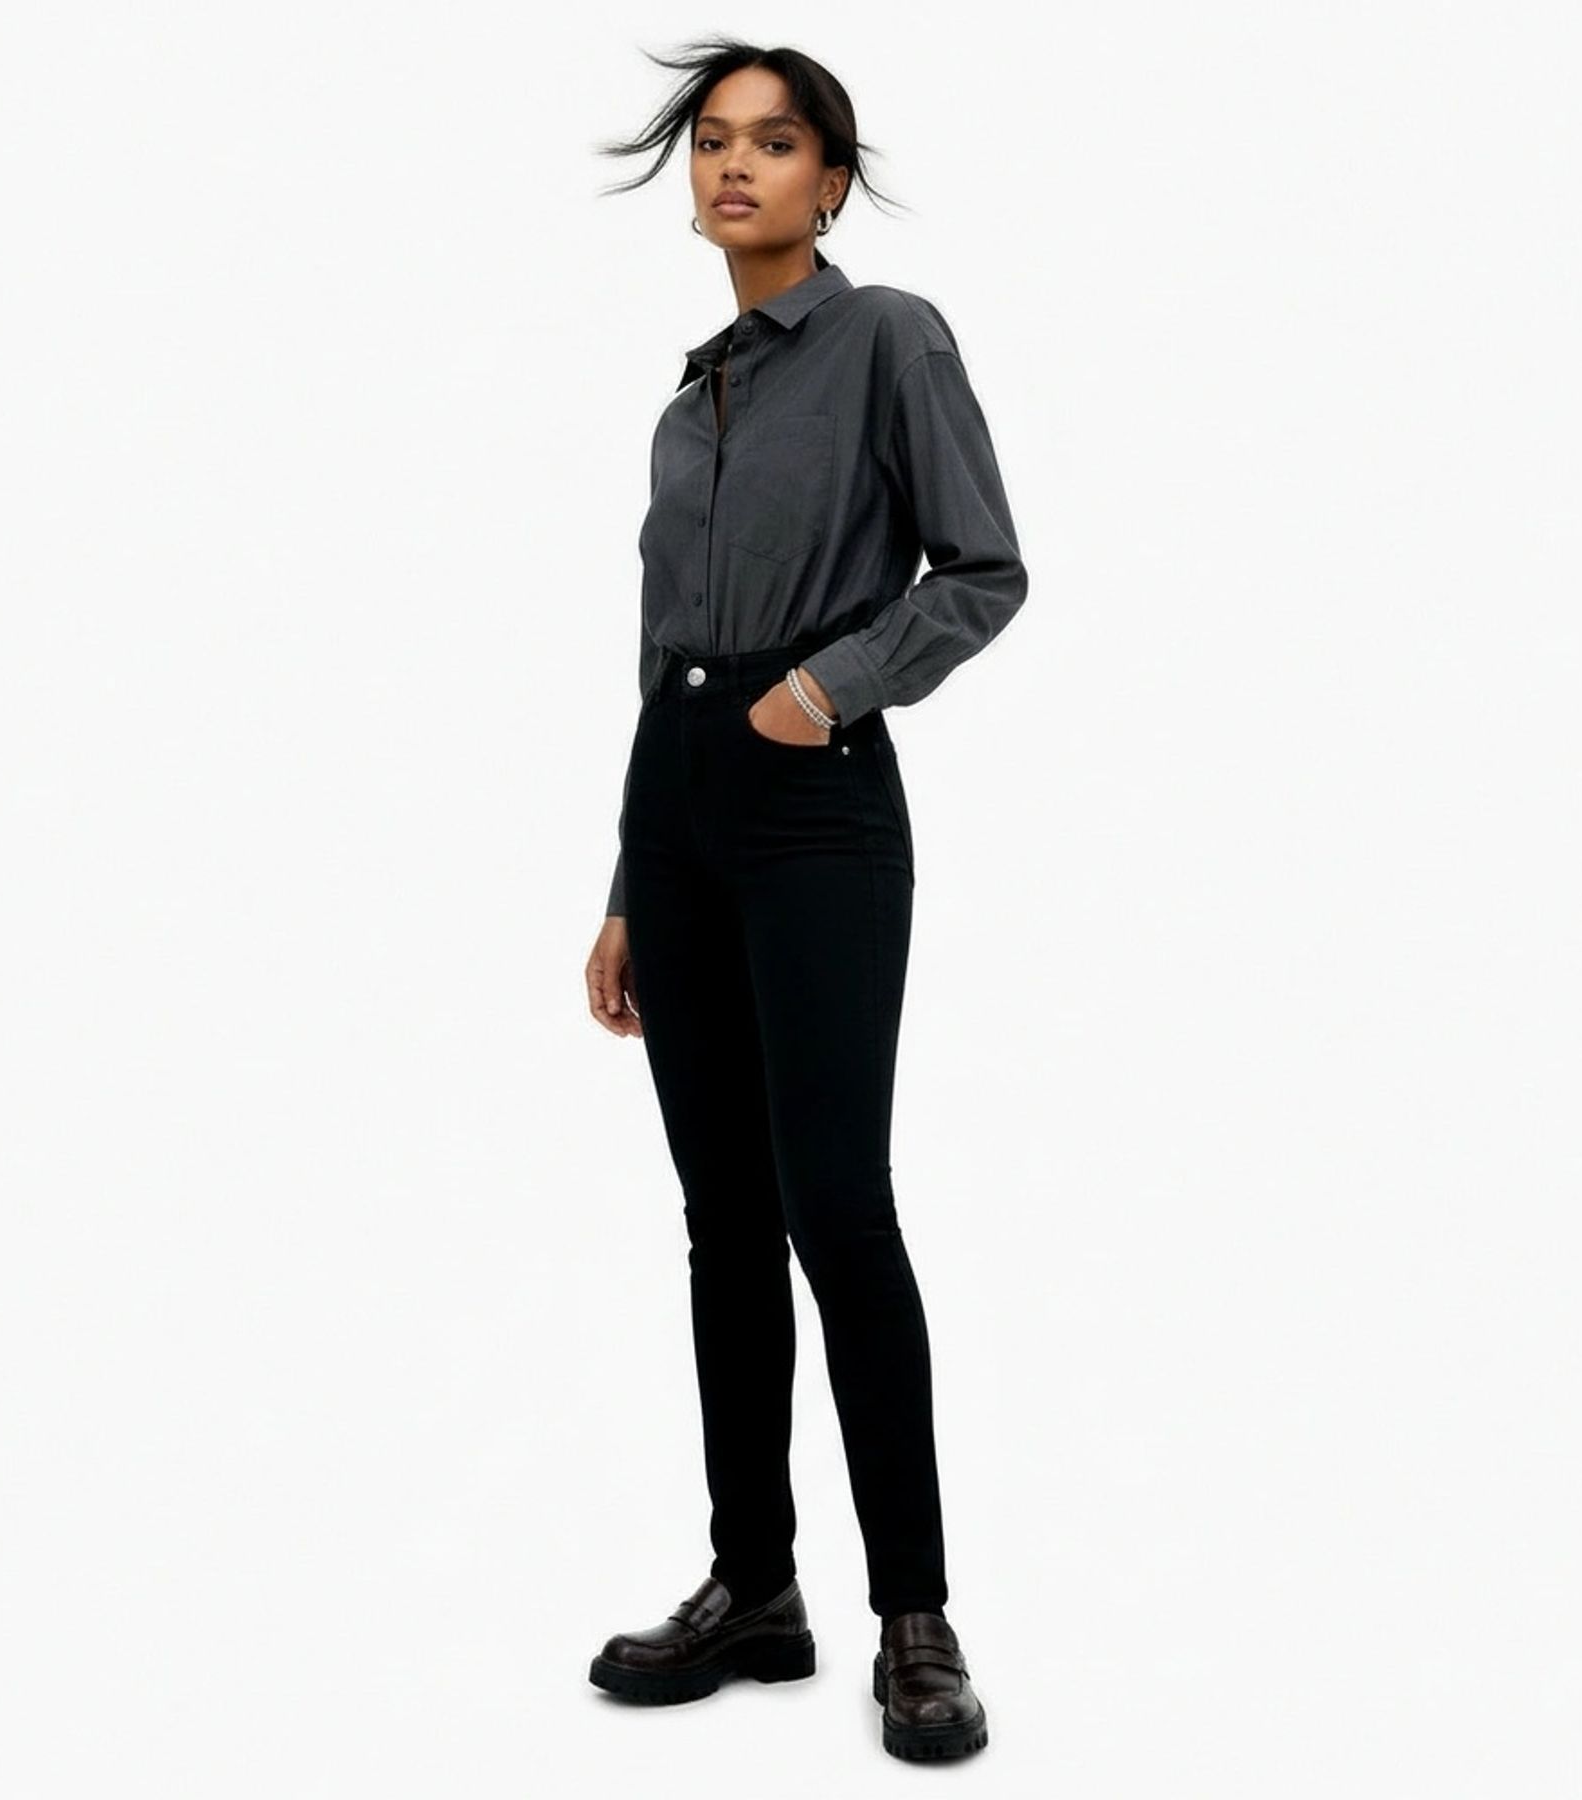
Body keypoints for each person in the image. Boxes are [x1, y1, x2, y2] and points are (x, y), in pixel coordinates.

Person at [582, 38, 1027, 1763]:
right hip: (680, 804)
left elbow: (982, 569)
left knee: (839, 1204)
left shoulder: (889, 337)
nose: (734, 166)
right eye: (713, 140)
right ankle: (754, 1586)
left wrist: (825, 690)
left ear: (831, 180)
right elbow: (659, 657)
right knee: (722, 1218)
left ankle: (915, 1617)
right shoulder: (686, 401)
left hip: (815, 800)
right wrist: (628, 881)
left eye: (775, 143)